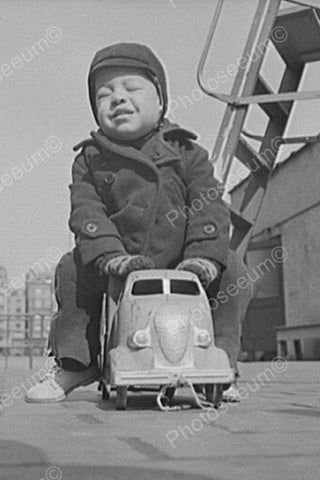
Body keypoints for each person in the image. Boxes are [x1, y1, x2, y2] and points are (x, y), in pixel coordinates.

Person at [25, 42, 252, 403]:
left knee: (235, 270)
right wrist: (109, 255)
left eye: (131, 89)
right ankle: (77, 361)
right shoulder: (89, 159)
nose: (117, 99)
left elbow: (209, 204)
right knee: (70, 268)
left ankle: (221, 361)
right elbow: (86, 212)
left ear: (160, 101)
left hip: (183, 260)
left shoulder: (187, 152)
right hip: (118, 260)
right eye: (104, 94)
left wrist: (204, 258)